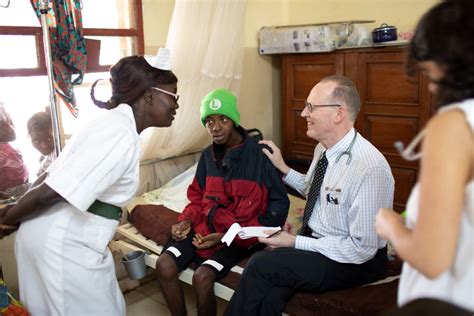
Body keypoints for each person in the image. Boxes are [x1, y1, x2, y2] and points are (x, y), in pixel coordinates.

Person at [0, 48, 179, 315]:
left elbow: (48, 178)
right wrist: (8, 219)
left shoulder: (112, 125)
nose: (177, 105)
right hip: (62, 246)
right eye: (174, 96)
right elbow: (52, 190)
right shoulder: (118, 133)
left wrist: (9, 213)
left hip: (61, 239)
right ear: (150, 94)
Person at [225, 75, 395, 316]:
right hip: (318, 242)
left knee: (260, 265)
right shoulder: (323, 150)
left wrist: (293, 242)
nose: (304, 113)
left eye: (311, 107)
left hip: (354, 261)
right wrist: (282, 167)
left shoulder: (369, 168)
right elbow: (315, 190)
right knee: (271, 296)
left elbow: (361, 249)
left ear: (338, 114)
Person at [376, 0, 474, 315]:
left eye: (430, 70)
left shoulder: (454, 124)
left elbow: (431, 259)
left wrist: (391, 226)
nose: (430, 87)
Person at [155, 88, 290, 316]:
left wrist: (227, 236)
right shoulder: (208, 156)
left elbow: (276, 211)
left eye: (223, 119)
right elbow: (197, 198)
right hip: (206, 228)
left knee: (202, 277)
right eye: (209, 121)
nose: (215, 127)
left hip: (241, 236)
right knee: (164, 265)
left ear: (235, 120)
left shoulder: (260, 156)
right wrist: (186, 221)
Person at [0, 102, 29, 200]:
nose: (11, 128)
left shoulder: (7, 147)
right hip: (9, 196)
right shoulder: (5, 150)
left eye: (11, 122)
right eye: (2, 125)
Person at [27, 108, 56, 177]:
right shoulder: (44, 158)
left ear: (56, 133)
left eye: (49, 139)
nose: (44, 146)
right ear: (29, 137)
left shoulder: (59, 153)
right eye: (36, 141)